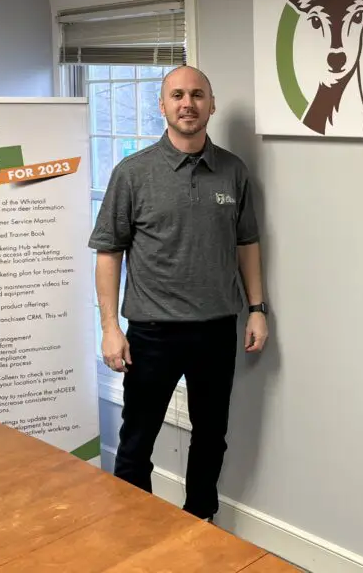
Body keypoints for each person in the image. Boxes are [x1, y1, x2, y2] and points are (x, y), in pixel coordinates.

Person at [88, 64, 268, 522]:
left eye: (197, 95)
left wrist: (257, 308)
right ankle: (137, 532)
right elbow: (108, 253)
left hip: (215, 329)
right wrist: (110, 328)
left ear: (211, 104)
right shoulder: (133, 173)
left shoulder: (233, 170)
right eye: (177, 95)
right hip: (151, 332)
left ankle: (198, 525)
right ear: (162, 105)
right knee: (137, 440)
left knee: (212, 436)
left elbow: (247, 243)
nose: (187, 104)